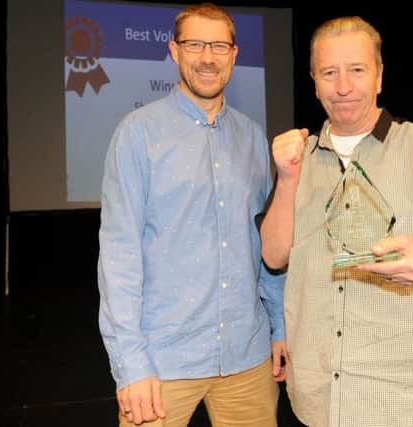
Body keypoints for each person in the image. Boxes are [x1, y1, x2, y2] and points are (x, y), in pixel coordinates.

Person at [260, 16, 413, 427]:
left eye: (357, 70)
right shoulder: (298, 157)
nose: (343, 86)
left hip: (398, 398)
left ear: (380, 76)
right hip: (317, 398)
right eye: (329, 73)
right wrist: (289, 179)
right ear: (314, 80)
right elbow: (275, 256)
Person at [98, 4, 288, 426]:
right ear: (174, 51)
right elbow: (119, 255)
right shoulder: (137, 133)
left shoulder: (253, 137)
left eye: (219, 45)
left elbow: (266, 243)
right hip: (163, 362)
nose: (207, 57)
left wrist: (280, 326)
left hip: (246, 357)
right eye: (195, 44)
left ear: (235, 54)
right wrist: (130, 363)